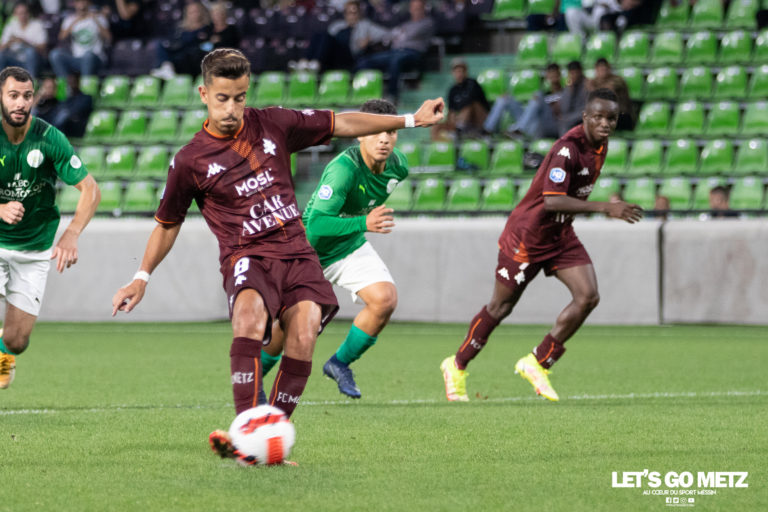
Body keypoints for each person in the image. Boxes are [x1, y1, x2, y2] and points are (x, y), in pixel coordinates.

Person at [110, 49, 443, 460]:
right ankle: (249, 431)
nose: (231, 108)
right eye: (222, 98)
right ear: (203, 94)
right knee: (249, 318)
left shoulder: (274, 123)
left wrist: (410, 120)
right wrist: (141, 277)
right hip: (247, 254)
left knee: (304, 330)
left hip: (296, 249)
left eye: (239, 98)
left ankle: (267, 441)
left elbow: (342, 123)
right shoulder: (190, 161)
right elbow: (167, 223)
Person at [440, 88, 643, 403]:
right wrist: (606, 207)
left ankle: (537, 362)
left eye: (611, 118)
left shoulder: (600, 145)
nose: (605, 123)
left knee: (588, 296)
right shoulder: (567, 150)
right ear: (585, 117)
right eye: (599, 117)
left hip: (560, 234)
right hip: (528, 237)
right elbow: (552, 201)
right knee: (500, 307)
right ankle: (456, 365)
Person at [259, 98, 407, 400]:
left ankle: (339, 363)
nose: (384, 139)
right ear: (360, 134)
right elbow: (316, 225)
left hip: (348, 247)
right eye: (375, 131)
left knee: (384, 300)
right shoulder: (343, 170)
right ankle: (253, 376)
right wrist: (363, 222)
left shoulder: (398, 167)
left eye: (390, 131)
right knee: (287, 327)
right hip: (309, 252)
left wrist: (359, 224)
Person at [0, 66, 101, 390]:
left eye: (27, 96)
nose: (20, 103)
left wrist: (71, 234)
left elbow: (90, 189)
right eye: (13, 96)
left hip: (34, 248)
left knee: (17, 341)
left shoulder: (49, 138)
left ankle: (4, 350)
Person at [354, 0, 434, 103]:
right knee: (365, 61)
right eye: (414, 8)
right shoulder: (405, 24)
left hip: (413, 53)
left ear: (424, 9)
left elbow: (410, 34)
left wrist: (397, 34)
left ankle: (392, 95)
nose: (416, 10)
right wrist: (370, 39)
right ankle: (357, 91)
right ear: (410, 9)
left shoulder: (428, 23)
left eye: (418, 8)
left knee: (395, 60)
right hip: (394, 52)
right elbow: (388, 35)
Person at [293, 0, 388, 73]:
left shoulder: (365, 25)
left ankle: (316, 63)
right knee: (319, 34)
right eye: (348, 13)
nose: (351, 16)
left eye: (354, 12)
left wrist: (369, 39)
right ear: (345, 14)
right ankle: (305, 62)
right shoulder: (337, 25)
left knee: (326, 37)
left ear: (359, 13)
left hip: (349, 57)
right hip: (333, 57)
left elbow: (386, 34)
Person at [483, 62, 563, 139]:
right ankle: (487, 130)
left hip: (547, 126)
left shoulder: (564, 93)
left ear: (559, 75)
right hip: (532, 125)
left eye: (555, 74)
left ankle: (518, 130)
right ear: (547, 76)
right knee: (505, 98)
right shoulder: (545, 93)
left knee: (537, 95)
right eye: (551, 75)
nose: (553, 77)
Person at [431, 57, 489, 141]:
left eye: (461, 71)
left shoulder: (472, 83)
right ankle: (437, 146)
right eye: (457, 72)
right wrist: (452, 120)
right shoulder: (452, 90)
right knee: (436, 125)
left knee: (469, 106)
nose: (459, 74)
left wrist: (458, 115)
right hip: (459, 121)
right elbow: (451, 110)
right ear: (453, 73)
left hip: (478, 120)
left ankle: (459, 132)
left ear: (466, 72)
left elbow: (472, 101)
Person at [49, 0, 111, 78]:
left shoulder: (99, 17)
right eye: (78, 2)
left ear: (88, 3)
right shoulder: (70, 19)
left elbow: (108, 37)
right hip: (77, 58)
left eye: (84, 1)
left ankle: (86, 84)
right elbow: (61, 37)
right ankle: (65, 84)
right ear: (75, 4)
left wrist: (95, 19)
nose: (81, 4)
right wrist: (76, 20)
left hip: (95, 57)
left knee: (88, 55)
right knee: (55, 54)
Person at [149, 1, 211, 80]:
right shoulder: (181, 29)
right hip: (180, 51)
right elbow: (176, 42)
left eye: (196, 11)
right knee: (161, 44)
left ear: (201, 12)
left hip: (193, 56)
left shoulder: (206, 28)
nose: (194, 15)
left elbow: (207, 45)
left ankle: (167, 67)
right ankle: (166, 67)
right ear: (187, 14)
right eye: (191, 12)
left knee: (183, 55)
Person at [0, 2, 47, 78]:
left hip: (34, 61)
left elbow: (43, 48)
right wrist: (9, 42)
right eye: (19, 13)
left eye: (25, 13)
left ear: (29, 13)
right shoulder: (11, 25)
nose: (22, 15)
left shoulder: (37, 24)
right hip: (15, 60)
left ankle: (32, 81)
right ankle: (2, 82)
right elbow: (1, 48)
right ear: (15, 14)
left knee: (30, 52)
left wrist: (24, 42)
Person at [588, 58, 634, 131]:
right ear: (596, 70)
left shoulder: (617, 80)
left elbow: (609, 93)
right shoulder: (593, 82)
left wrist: (593, 88)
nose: (603, 71)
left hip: (620, 115)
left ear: (609, 69)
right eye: (600, 69)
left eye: (604, 68)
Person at [558, 60, 588, 136]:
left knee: (564, 122)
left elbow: (586, 109)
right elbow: (564, 109)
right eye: (571, 73)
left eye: (575, 72)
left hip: (583, 118)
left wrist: (567, 118)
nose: (574, 75)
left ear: (580, 72)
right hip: (571, 118)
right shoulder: (569, 85)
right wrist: (569, 91)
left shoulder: (587, 85)